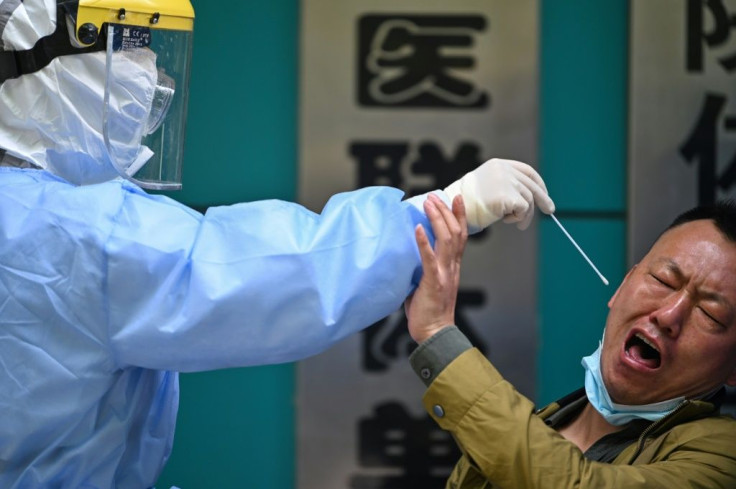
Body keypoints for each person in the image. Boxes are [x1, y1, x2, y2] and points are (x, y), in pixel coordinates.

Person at [0, 1, 555, 487]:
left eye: (149, 46)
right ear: (38, 65)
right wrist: (447, 209)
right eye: (128, 45)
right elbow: (260, 272)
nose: (149, 76)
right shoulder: (73, 232)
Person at [406, 195, 736, 488]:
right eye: (663, 280)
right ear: (621, 287)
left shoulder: (723, 457)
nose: (668, 316)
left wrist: (438, 334)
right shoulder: (540, 425)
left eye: (710, 314)